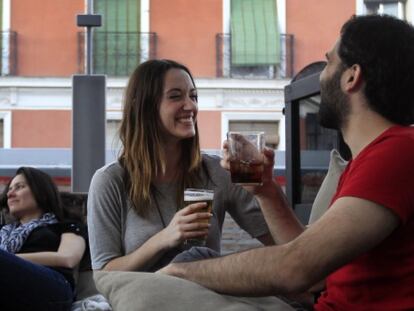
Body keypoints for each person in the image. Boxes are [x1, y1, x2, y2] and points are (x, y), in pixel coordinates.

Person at [159, 14, 414, 310]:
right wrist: (265, 189)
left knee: (187, 266)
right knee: (195, 261)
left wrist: (178, 273)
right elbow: (314, 267)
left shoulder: (397, 154)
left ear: (351, 76)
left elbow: (296, 268)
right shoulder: (372, 159)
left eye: (329, 63)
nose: (320, 76)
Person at [87, 59, 273, 273]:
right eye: (176, 96)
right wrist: (164, 238)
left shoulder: (215, 171)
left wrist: (265, 190)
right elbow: (103, 272)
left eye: (193, 96)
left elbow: (283, 243)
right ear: (145, 106)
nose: (191, 106)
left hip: (202, 299)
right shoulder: (110, 180)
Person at [0, 167, 86, 311]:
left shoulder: (65, 224)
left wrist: (10, 259)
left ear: (42, 192)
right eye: (10, 189)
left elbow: (67, 258)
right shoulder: (3, 231)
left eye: (19, 187)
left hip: (53, 289)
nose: (10, 193)